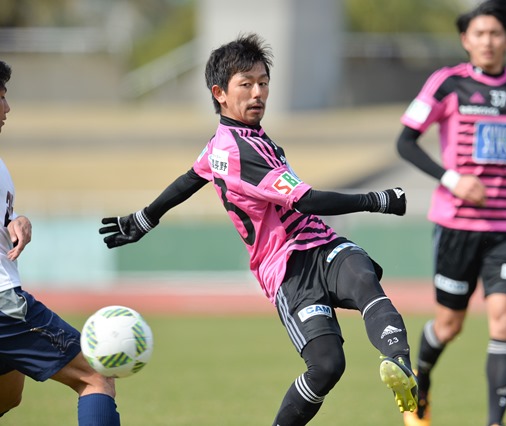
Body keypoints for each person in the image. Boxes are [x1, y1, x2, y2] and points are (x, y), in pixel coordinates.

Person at [99, 33, 418, 425]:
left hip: (319, 242)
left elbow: (190, 177)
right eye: (245, 85)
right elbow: (306, 200)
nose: (257, 93)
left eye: (263, 83)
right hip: (287, 270)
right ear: (219, 93)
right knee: (326, 366)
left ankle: (400, 364)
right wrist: (379, 200)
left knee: (361, 275)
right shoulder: (241, 151)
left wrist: (145, 218)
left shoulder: (224, 142)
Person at [396, 1, 506, 425]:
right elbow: (405, 143)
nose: (488, 41)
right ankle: (421, 380)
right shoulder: (447, 83)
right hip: (456, 225)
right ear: (465, 40)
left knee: (504, 322)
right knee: (449, 326)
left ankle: (495, 422)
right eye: (479, 33)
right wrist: (453, 180)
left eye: (496, 34)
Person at [0, 61, 121, 424]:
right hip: (3, 305)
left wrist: (14, 221)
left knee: (7, 396)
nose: (8, 108)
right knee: (96, 376)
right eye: (1, 98)